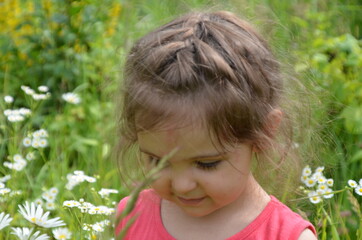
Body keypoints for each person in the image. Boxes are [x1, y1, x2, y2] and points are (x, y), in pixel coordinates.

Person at [115, 10, 317, 240]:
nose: (182, 185)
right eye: (158, 161)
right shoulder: (132, 216)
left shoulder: (285, 236)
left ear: (265, 131)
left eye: (206, 164)